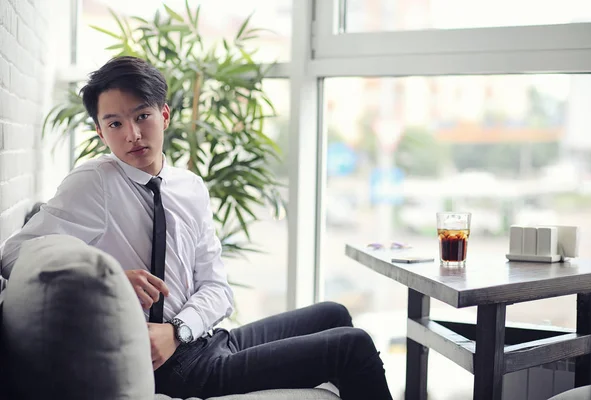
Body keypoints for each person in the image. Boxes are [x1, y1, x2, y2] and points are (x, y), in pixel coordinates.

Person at [0, 56, 393, 400]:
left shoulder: (189, 187)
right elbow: (14, 254)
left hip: (199, 339)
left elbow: (217, 288)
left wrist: (179, 330)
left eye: (142, 116)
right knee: (351, 347)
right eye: (115, 123)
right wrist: (113, 278)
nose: (132, 135)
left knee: (333, 313)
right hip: (174, 369)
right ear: (101, 133)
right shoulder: (94, 183)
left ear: (164, 115)